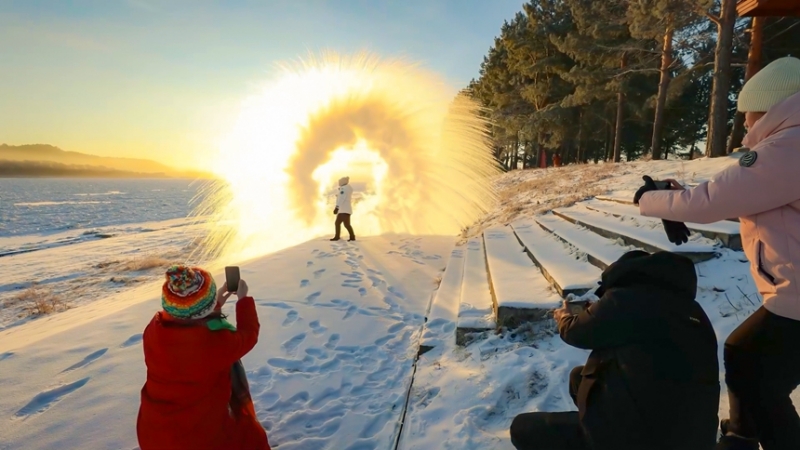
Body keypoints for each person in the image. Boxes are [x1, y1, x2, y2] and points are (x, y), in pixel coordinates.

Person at [634, 56, 800, 450]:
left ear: (773, 105)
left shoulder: (791, 143)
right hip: (792, 291)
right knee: (750, 362)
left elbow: (712, 200)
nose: (744, 122)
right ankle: (741, 437)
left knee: (753, 369)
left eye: (748, 113)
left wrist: (649, 199)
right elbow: (739, 188)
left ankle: (746, 438)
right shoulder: (785, 145)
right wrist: (678, 196)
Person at [509, 250, 720, 450]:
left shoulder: (625, 299)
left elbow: (576, 332)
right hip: (695, 437)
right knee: (579, 377)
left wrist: (564, 317)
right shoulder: (694, 312)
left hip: (642, 440)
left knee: (522, 428)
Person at [137, 265, 271, 450]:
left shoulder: (154, 329)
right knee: (248, 439)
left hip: (154, 430)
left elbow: (189, 317)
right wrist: (243, 300)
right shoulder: (212, 343)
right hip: (195, 437)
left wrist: (215, 303)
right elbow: (248, 336)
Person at [331, 176, 355, 242]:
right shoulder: (347, 188)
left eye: (339, 182)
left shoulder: (343, 189)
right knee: (346, 224)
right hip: (346, 210)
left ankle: (337, 237)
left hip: (343, 210)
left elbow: (342, 198)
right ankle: (352, 237)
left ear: (342, 182)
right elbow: (343, 196)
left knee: (339, 223)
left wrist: (337, 207)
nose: (339, 183)